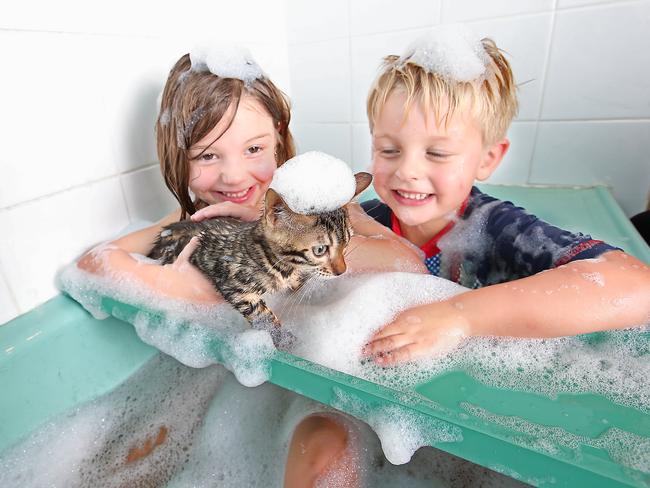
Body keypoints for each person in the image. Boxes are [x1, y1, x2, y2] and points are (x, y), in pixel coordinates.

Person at [76, 48, 424, 487]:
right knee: (144, 450)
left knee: (328, 454)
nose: (235, 176)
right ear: (177, 156)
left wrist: (305, 243)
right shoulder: (192, 225)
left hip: (314, 373)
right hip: (222, 377)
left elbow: (410, 264)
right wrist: (187, 291)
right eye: (207, 156)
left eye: (254, 148)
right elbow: (94, 263)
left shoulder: (319, 206)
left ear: (279, 138)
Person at [358, 30, 650, 366]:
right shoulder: (366, 223)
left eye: (437, 153)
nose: (407, 170)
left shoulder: (495, 227)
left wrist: (459, 316)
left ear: (487, 159)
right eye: (388, 149)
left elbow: (635, 285)